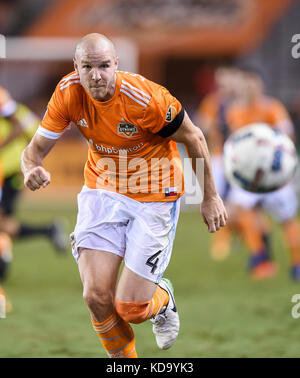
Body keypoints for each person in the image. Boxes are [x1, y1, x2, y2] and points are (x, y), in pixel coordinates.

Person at [21, 33, 227, 358]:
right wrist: (30, 168)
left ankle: (163, 298)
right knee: (96, 297)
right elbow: (33, 152)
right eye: (87, 67)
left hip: (154, 194)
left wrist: (210, 197)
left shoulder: (145, 98)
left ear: (116, 64)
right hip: (102, 191)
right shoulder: (68, 93)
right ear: (76, 67)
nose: (96, 75)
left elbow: (195, 137)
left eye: (104, 66)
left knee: (132, 308)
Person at [196, 66, 274, 277]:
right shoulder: (215, 103)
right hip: (223, 160)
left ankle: (260, 257)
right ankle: (261, 254)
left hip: (247, 165)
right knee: (241, 210)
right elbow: (201, 125)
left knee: (239, 209)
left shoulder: (251, 106)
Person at [225, 65, 300, 281]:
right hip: (250, 177)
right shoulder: (234, 111)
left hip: (275, 176)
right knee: (236, 212)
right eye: (245, 84)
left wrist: (267, 149)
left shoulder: (272, 107)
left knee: (287, 219)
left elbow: (287, 138)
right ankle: (260, 256)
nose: (249, 88)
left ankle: (296, 264)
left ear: (260, 85)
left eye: (252, 84)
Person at [0, 86, 67, 253]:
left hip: (11, 170)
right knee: (4, 223)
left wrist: (28, 163)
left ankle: (47, 231)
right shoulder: (22, 112)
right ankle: (48, 231)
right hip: (8, 169)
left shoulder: (11, 110)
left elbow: (29, 134)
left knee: (3, 223)